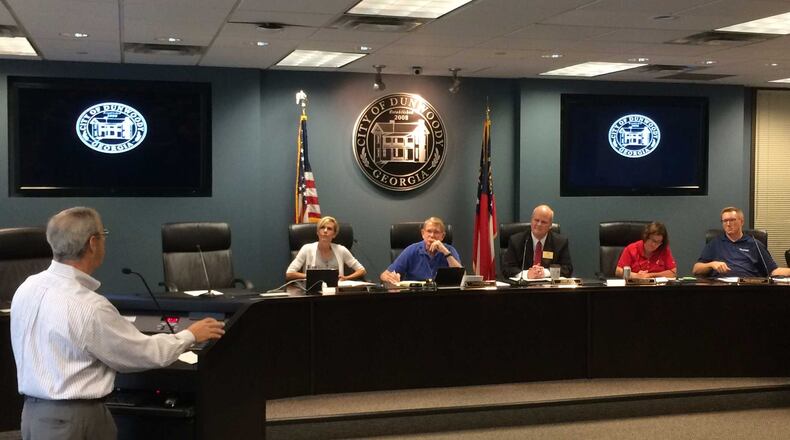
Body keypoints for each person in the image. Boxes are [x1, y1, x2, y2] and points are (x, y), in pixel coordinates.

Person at [10, 207, 225, 440]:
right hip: (74, 421)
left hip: (32, 415)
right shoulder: (90, 306)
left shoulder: (26, 288)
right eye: (104, 235)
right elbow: (141, 353)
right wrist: (190, 335)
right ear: (93, 243)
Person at [693, 206, 790, 278]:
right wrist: (712, 264)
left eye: (732, 220)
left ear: (742, 222)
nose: (728, 224)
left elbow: (773, 270)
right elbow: (696, 269)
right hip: (721, 289)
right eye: (725, 221)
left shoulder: (755, 244)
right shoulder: (715, 243)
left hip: (748, 288)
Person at [380, 217, 461, 284]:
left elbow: (461, 275)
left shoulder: (449, 250)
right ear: (423, 234)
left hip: (441, 297)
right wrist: (391, 278)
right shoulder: (412, 250)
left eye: (436, 232)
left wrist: (446, 252)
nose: (432, 235)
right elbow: (384, 275)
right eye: (429, 231)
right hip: (416, 296)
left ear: (442, 236)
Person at [501, 204, 572, 279]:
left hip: (549, 289)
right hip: (523, 288)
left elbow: (567, 269)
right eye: (536, 220)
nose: (539, 224)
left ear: (550, 225)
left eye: (544, 222)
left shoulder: (560, 242)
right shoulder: (516, 240)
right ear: (531, 220)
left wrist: (545, 272)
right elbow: (507, 269)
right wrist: (527, 274)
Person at [286, 216, 366, 281]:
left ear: (334, 234)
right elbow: (289, 274)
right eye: (322, 227)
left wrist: (346, 278)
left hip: (336, 292)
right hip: (313, 293)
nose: (325, 231)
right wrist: (312, 276)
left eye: (329, 229)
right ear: (317, 232)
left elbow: (362, 270)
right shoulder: (307, 249)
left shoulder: (341, 250)